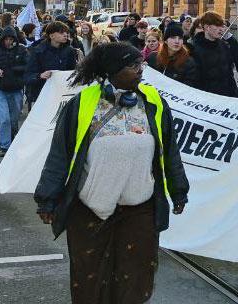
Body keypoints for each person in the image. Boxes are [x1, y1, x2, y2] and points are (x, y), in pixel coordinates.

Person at [34, 42, 189, 304]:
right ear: (112, 70)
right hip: (90, 208)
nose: (141, 70)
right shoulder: (81, 104)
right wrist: (47, 199)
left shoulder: (154, 103)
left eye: (141, 64)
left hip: (140, 208)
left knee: (135, 277)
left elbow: (169, 150)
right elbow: (60, 154)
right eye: (133, 66)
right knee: (89, 277)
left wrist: (179, 190)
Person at [0, 27, 29, 157]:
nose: (8, 42)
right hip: (0, 89)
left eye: (11, 39)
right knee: (3, 119)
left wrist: (16, 69)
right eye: (6, 39)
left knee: (14, 118)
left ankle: (13, 137)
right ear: (3, 39)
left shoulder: (22, 50)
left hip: (16, 90)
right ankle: (4, 146)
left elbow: (28, 65)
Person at [25, 21, 78, 109]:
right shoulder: (37, 51)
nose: (65, 35)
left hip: (61, 94)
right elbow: (28, 76)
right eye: (61, 32)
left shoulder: (69, 51)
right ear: (51, 36)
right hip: (41, 94)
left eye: (66, 32)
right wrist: (40, 75)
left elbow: (72, 72)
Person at [190, 12, 238, 97]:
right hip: (207, 100)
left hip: (226, 98)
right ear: (207, 27)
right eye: (217, 26)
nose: (221, 29)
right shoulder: (194, 49)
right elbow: (194, 80)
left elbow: (230, 76)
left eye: (222, 26)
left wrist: (236, 97)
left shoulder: (224, 46)